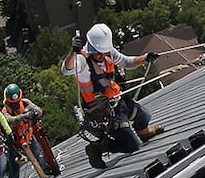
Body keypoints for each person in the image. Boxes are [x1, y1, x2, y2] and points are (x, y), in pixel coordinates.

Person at [62, 23, 164, 155]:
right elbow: (66, 70)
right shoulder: (81, 61)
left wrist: (145, 58)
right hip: (102, 111)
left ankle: (144, 133)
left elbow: (127, 62)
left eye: (103, 52)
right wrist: (73, 52)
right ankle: (100, 147)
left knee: (143, 115)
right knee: (132, 146)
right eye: (98, 52)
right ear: (91, 46)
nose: (101, 55)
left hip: (117, 101)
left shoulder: (108, 52)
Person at [0, 83, 50, 178]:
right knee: (14, 172)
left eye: (17, 101)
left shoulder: (25, 102)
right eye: (13, 102)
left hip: (29, 137)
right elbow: (10, 120)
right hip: (15, 146)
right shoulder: (5, 111)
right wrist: (23, 116)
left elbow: (38, 110)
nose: (16, 104)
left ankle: (47, 173)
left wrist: (33, 112)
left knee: (39, 157)